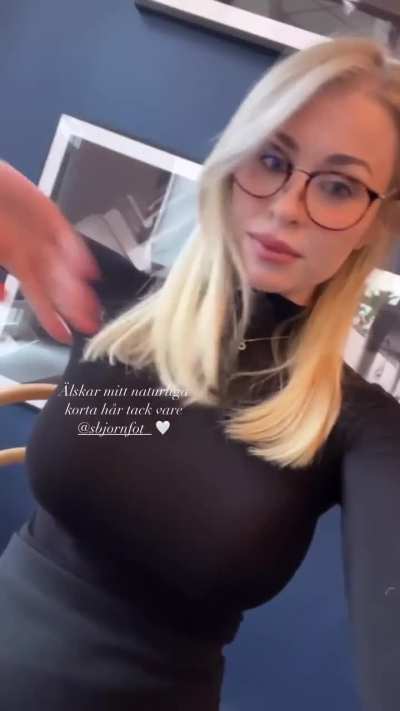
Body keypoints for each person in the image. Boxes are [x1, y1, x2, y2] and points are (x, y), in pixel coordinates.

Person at [0, 35, 400, 711]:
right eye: (271, 159)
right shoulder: (107, 299)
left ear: (372, 222)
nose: (286, 207)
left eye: (337, 186)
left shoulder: (360, 426)